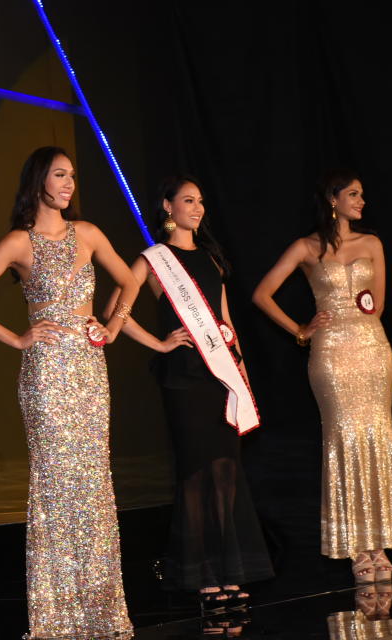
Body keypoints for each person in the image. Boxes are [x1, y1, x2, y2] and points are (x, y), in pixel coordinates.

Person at [0, 146, 139, 639]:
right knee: (56, 486)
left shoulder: (90, 234)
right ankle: (57, 614)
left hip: (88, 369)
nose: (69, 183)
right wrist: (20, 337)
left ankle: (101, 610)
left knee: (93, 483)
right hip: (45, 375)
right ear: (39, 180)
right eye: (60, 174)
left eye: (73, 176)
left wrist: (112, 326)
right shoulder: (19, 242)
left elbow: (131, 280)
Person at [105, 175, 273, 611]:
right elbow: (114, 312)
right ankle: (202, 573)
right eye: (187, 201)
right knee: (196, 471)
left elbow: (224, 319)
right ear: (167, 207)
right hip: (183, 378)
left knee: (226, 470)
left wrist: (243, 370)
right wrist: (159, 343)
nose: (197, 209)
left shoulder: (212, 258)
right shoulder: (153, 260)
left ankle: (230, 568)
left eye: (200, 201)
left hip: (221, 376)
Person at [252, 169, 392, 582]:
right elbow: (261, 294)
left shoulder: (372, 243)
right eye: (354, 194)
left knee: (377, 436)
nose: (361, 202)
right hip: (330, 356)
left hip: (373, 349)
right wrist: (301, 330)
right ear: (332, 199)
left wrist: (358, 310)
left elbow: (376, 304)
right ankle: (355, 546)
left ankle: (380, 541)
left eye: (362, 195)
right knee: (342, 438)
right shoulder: (306, 246)